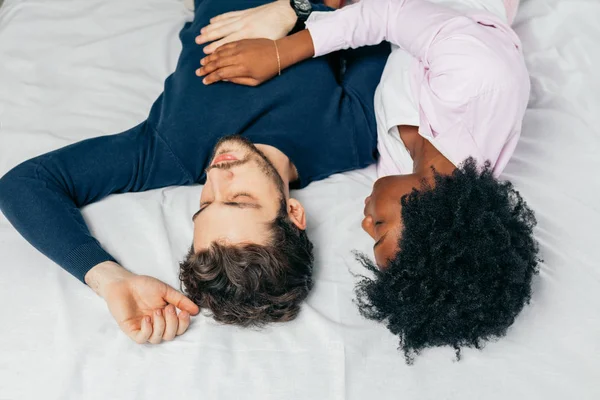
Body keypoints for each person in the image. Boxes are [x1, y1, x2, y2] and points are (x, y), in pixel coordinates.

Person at [0, 0, 389, 344]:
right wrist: (296, 8)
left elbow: (25, 184)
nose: (216, 175)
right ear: (293, 213)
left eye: (203, 203)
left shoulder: (170, 152)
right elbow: (383, 17)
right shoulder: (350, 136)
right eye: (239, 199)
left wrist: (107, 277)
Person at [198, 0, 540, 362]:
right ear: (431, 206)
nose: (364, 221)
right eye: (379, 227)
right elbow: (391, 14)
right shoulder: (480, 79)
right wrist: (280, 53)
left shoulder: (403, 169)